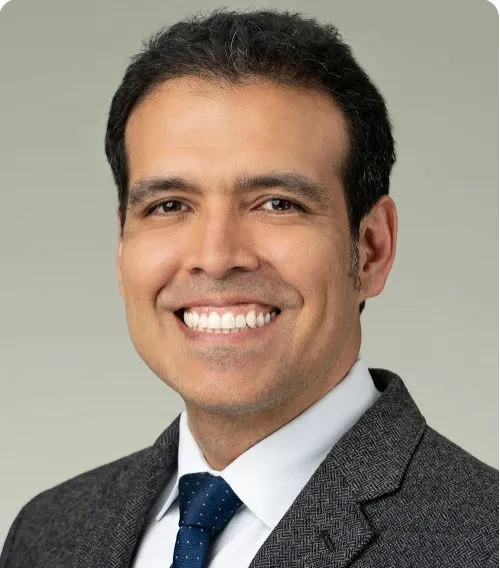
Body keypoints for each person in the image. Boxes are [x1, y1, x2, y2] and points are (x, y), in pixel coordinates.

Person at [0, 8, 497, 568]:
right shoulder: (47, 534)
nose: (216, 258)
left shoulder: (483, 540)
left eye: (277, 204)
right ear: (122, 247)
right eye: (170, 205)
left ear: (372, 248)